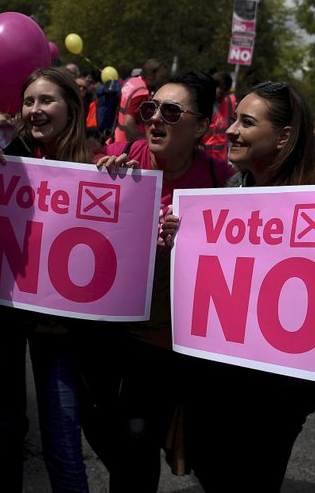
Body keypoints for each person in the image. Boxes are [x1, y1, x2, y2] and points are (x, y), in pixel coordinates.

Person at [177, 81, 315, 491]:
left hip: (276, 395)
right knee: (208, 468)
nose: (230, 131)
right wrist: (181, 240)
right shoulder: (228, 192)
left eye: (246, 122)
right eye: (234, 120)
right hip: (213, 383)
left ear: (284, 136)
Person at [91, 71, 235, 490]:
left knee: (137, 436)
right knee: (98, 425)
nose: (154, 119)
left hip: (159, 343)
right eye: (149, 108)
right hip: (103, 335)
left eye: (170, 112)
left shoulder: (221, 182)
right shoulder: (119, 157)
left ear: (203, 127)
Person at [0, 67, 98, 493]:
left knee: (63, 432)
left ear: (72, 107)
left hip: (61, 327)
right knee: (6, 426)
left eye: (46, 100)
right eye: (28, 101)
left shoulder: (97, 167)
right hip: (7, 316)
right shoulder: (4, 158)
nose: (35, 110)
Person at [112, 58, 168, 142]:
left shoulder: (133, 81)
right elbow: (129, 122)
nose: (163, 80)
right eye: (162, 77)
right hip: (128, 142)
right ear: (151, 75)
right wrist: (135, 146)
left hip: (119, 137)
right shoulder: (142, 93)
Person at [201, 70, 236, 161]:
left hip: (219, 159)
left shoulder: (229, 104)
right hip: (201, 153)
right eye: (219, 87)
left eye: (224, 89)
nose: (221, 91)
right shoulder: (203, 102)